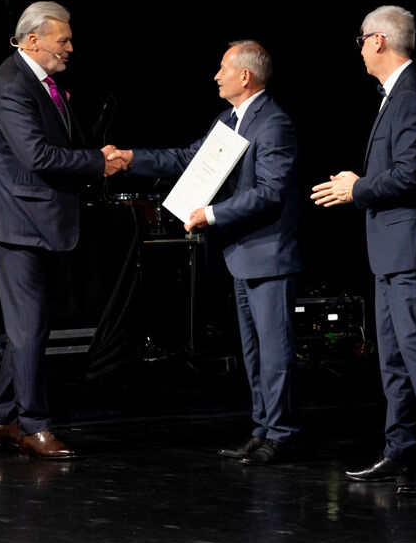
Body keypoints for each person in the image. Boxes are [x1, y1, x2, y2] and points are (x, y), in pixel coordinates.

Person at [104, 41, 302, 466]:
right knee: (253, 352)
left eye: (223, 68)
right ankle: (262, 429)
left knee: (275, 351)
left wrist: (210, 214)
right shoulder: (228, 120)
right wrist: (130, 158)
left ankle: (281, 434)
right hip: (242, 254)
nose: (216, 76)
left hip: (268, 255)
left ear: (245, 76)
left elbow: (270, 193)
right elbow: (188, 158)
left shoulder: (273, 124)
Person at [310, 6, 416, 496]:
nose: (359, 49)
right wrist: (359, 184)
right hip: (392, 250)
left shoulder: (412, 92)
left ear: (378, 40)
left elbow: (410, 174)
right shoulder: (397, 93)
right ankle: (401, 450)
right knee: (393, 358)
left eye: (361, 40)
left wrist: (357, 187)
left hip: (411, 248)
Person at [0, 1, 125, 459]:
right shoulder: (12, 87)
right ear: (33, 40)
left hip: (33, 219)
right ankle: (34, 425)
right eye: (64, 40)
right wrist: (97, 163)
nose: (70, 48)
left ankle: (1, 419)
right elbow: (36, 156)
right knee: (28, 328)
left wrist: (95, 156)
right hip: (16, 221)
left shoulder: (36, 81)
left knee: (30, 326)